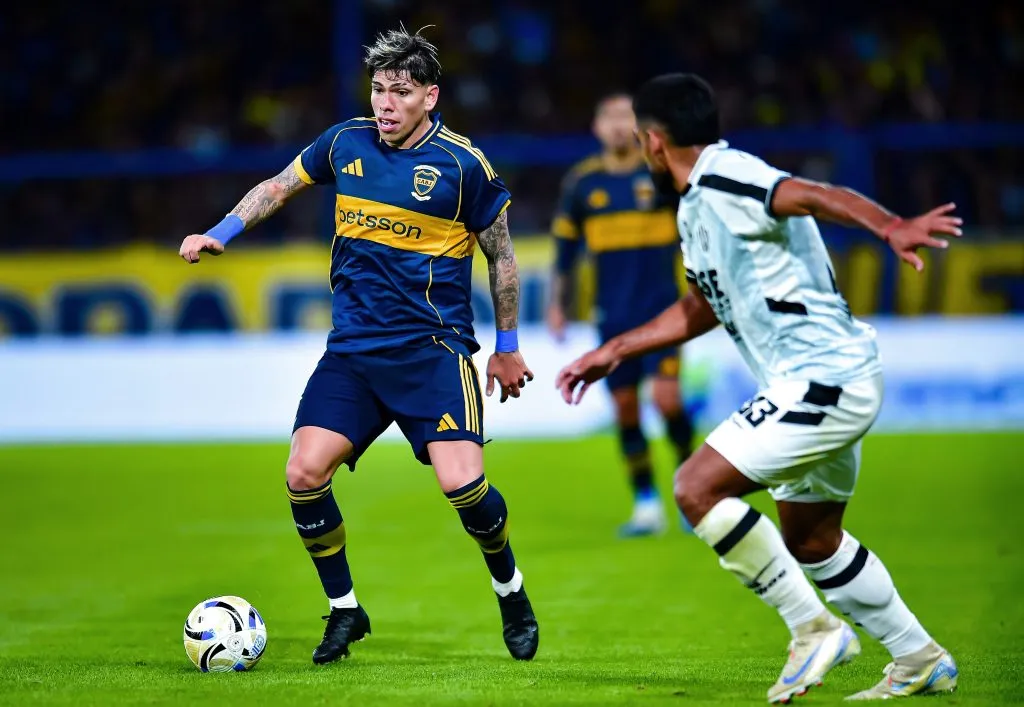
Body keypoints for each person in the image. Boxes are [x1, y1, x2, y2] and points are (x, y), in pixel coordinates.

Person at [556, 73, 960, 702]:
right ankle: (918, 657)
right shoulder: (695, 205)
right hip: (820, 379)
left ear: (654, 142)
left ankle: (812, 630)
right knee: (811, 540)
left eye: (641, 141)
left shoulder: (725, 175)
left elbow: (809, 193)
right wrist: (615, 349)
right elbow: (701, 305)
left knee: (695, 487)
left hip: (821, 379)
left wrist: (888, 226)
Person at [178, 26, 539, 665]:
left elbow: (502, 258)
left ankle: (509, 589)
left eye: (400, 92)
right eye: (378, 89)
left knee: (464, 487)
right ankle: (346, 611)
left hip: (433, 352)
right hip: (353, 353)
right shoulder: (345, 143)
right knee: (302, 472)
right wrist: (221, 231)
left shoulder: (463, 167)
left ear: (431, 96)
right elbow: (279, 185)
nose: (385, 103)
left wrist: (505, 346)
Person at [547, 91, 694, 537]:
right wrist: (558, 304)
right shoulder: (582, 184)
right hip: (612, 316)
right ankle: (646, 503)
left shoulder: (662, 174)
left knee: (666, 400)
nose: (616, 125)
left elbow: (694, 229)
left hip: (665, 311)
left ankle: (694, 491)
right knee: (627, 408)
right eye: (608, 116)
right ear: (596, 127)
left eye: (625, 117)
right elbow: (565, 250)